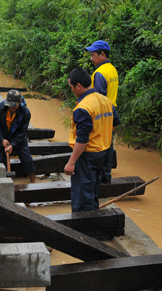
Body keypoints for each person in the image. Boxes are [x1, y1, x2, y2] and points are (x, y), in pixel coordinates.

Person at [64, 67, 120, 212]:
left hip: (87, 156)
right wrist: (100, 135)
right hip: (102, 153)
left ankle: (83, 228)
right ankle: (94, 220)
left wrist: (71, 162)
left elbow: (82, 139)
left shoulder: (83, 107)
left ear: (78, 86)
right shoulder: (105, 100)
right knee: (93, 191)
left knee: (82, 197)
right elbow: (115, 123)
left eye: (71, 87)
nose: (72, 90)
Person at [85, 40, 119, 184]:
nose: (91, 59)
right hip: (111, 112)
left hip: (102, 114)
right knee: (108, 144)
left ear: (102, 54)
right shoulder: (112, 69)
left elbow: (98, 98)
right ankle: (106, 178)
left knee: (100, 146)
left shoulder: (100, 73)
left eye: (93, 55)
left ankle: (99, 180)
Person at [0, 90, 36, 182]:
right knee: (1, 164)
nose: (12, 107)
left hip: (19, 140)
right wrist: (2, 139)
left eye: (14, 105)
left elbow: (22, 132)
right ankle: (3, 183)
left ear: (20, 102)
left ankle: (33, 183)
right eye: (10, 104)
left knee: (28, 162)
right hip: (3, 138)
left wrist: (13, 144)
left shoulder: (25, 112)